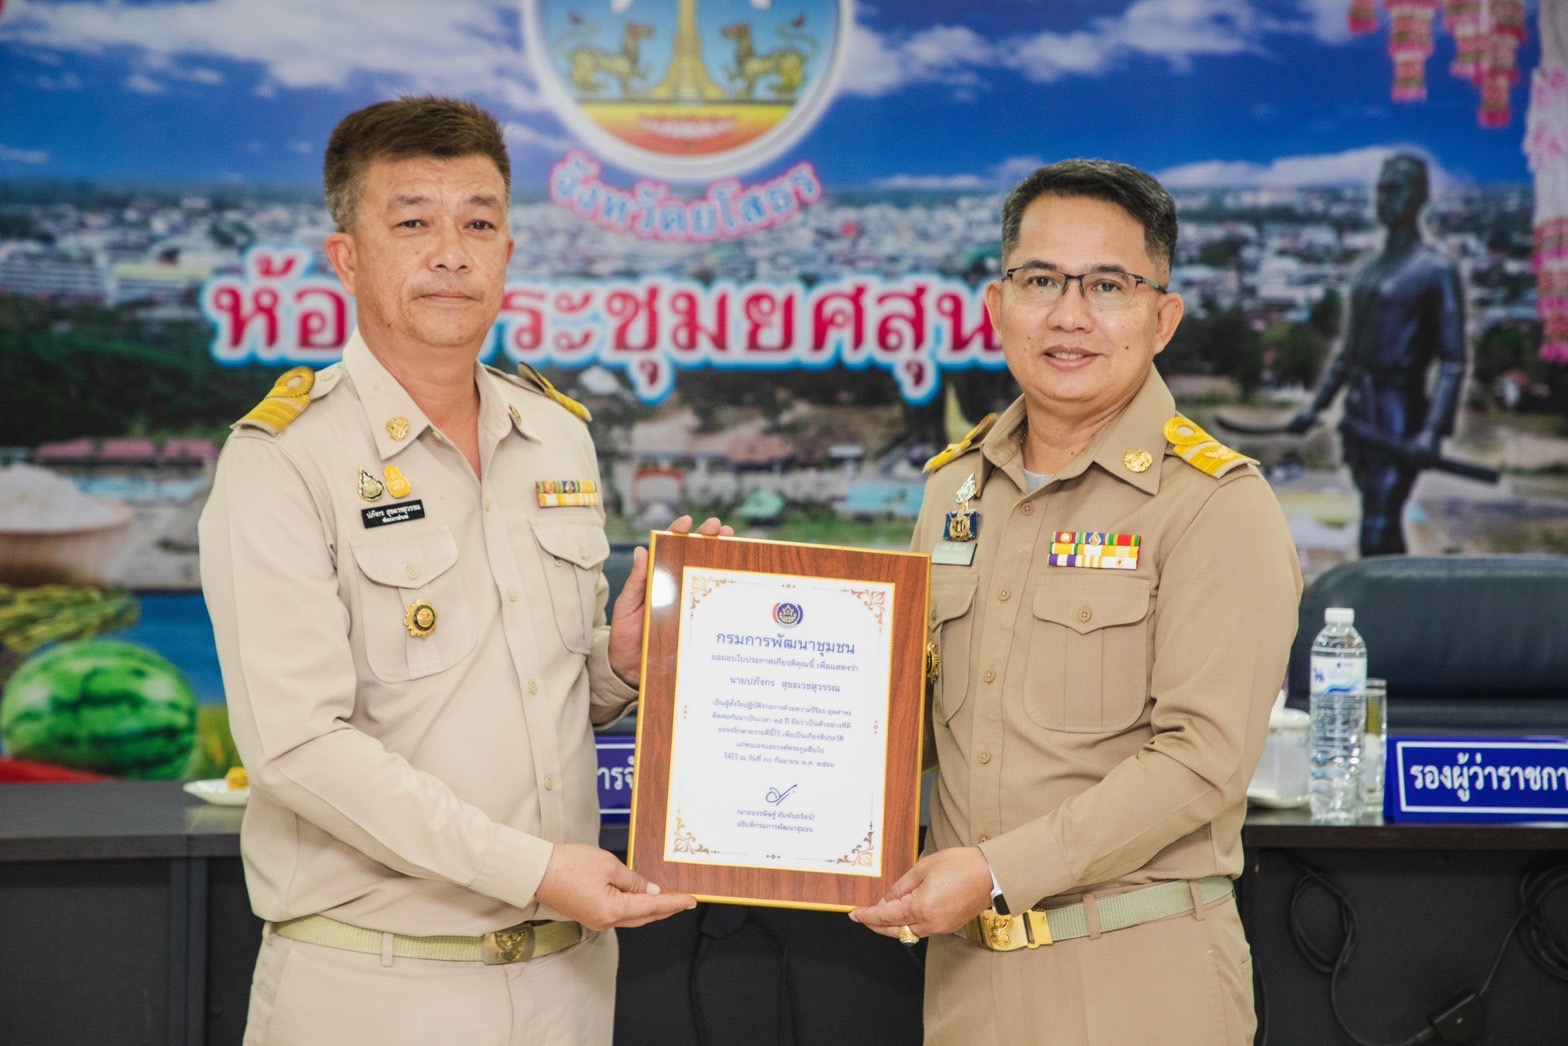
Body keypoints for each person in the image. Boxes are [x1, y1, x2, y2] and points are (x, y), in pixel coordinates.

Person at [199, 96, 727, 1045]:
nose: (451, 251)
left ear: (509, 252)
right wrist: (530, 868)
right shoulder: (282, 460)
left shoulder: (556, 437)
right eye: (412, 222)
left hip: (569, 981)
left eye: (478, 221)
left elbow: (540, 687)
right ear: (346, 256)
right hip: (375, 982)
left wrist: (622, 662)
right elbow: (298, 750)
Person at [849, 159, 1302, 1045]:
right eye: (1041, 280)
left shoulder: (1215, 503)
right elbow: (900, 718)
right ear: (996, 305)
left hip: (1139, 978)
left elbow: (1201, 761)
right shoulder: (954, 491)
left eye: (1108, 285)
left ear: (1163, 317)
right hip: (968, 981)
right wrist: (721, 622)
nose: (1069, 314)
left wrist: (991, 871)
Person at [1286, 153, 1466, 556]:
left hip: (1399, 412)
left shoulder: (1434, 269)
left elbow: (1453, 361)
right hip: (1361, 413)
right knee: (1378, 519)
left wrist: (1432, 432)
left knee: (1378, 522)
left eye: (1395, 189)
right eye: (1381, 190)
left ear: (1419, 197)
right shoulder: (1370, 271)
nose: (1385, 199)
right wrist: (1316, 408)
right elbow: (1348, 355)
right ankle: (1395, 605)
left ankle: (1379, 609)